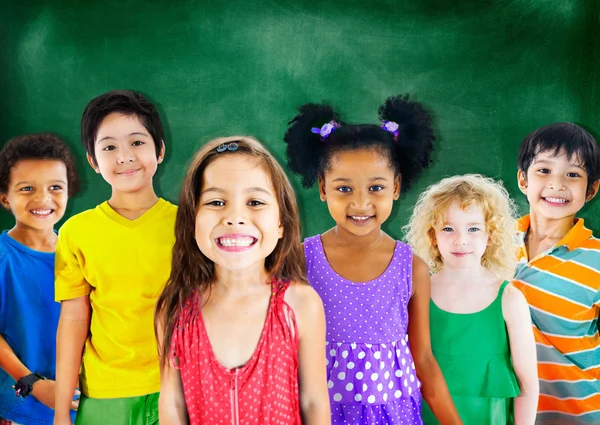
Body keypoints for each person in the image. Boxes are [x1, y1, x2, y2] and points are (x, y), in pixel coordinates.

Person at [284, 95, 462, 424]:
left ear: (396, 186)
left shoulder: (412, 267)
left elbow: (422, 358)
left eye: (376, 187)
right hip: (319, 411)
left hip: (392, 412)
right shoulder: (299, 259)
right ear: (322, 188)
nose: (361, 203)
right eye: (344, 189)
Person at [156, 136, 330, 424]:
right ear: (192, 220)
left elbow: (313, 401)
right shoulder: (175, 309)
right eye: (216, 202)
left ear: (281, 224)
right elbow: (173, 403)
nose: (235, 217)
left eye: (255, 202)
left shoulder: (300, 304)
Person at [53, 90, 177, 425]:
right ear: (93, 161)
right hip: (106, 394)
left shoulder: (191, 225)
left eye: (137, 142)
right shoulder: (76, 232)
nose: (124, 156)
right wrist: (61, 410)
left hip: (180, 387)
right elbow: (74, 319)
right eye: (109, 147)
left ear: (160, 150)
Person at [405, 174, 538, 425]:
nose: (460, 240)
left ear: (491, 235)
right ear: (433, 235)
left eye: (474, 228)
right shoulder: (416, 294)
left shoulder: (510, 299)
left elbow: (528, 386)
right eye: (448, 228)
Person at [512, 123, 600, 424]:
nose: (557, 184)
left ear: (591, 189)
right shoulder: (488, 245)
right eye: (544, 171)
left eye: (573, 174)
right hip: (504, 412)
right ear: (523, 179)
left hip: (574, 415)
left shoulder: (597, 259)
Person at [0, 133, 79, 425]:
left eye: (55, 187)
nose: (43, 199)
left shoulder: (80, 253)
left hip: (79, 406)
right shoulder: (3, 257)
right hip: (20, 410)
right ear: (5, 196)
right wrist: (32, 382)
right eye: (27, 188)